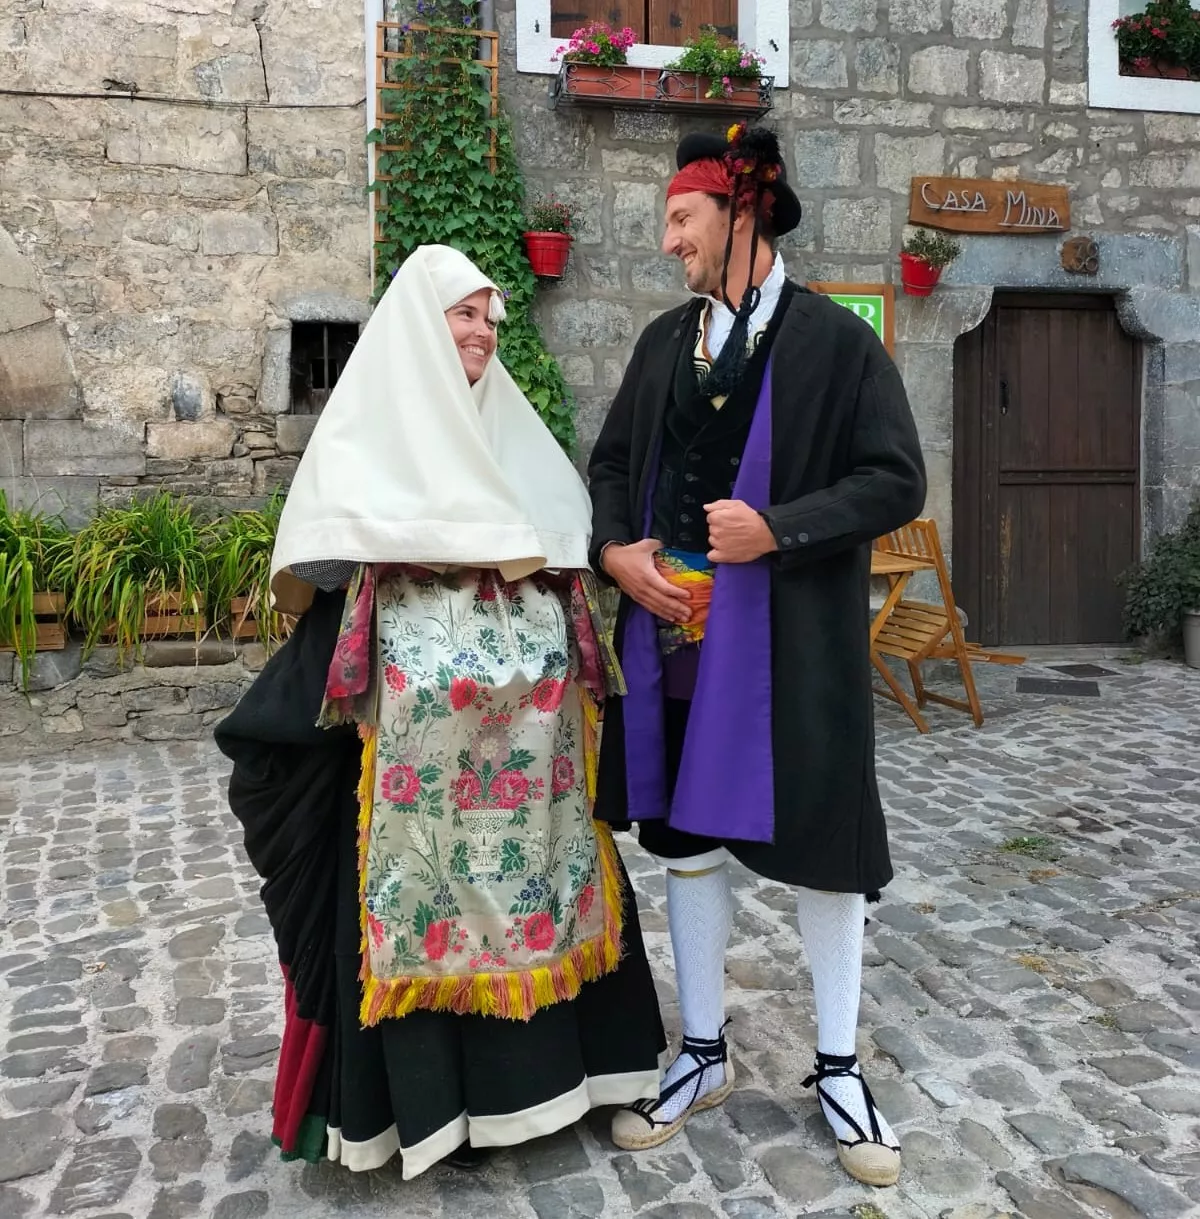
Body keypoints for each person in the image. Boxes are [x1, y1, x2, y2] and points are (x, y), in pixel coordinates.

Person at [215, 244, 664, 1180]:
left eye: (491, 318)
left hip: (530, 773)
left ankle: (553, 1081)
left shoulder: (514, 440)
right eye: (466, 313)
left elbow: (561, 547)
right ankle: (429, 1108)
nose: (484, 332)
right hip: (405, 777)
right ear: (421, 325)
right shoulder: (367, 440)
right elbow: (327, 568)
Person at [587, 126, 927, 1188]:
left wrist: (778, 528)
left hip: (793, 650)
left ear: (743, 214)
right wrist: (614, 551)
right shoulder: (663, 343)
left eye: (682, 218)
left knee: (825, 843)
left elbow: (896, 479)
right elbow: (611, 464)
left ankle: (838, 1068)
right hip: (674, 642)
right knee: (686, 839)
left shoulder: (835, 344)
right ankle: (701, 1051)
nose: (667, 240)